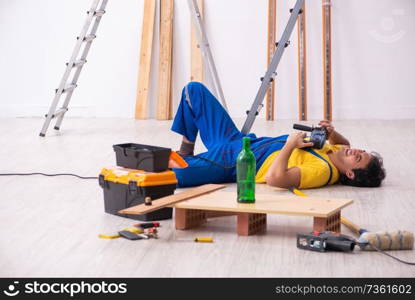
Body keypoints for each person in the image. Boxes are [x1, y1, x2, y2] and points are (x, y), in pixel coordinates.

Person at [169, 82, 386, 189]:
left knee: (170, 176)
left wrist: (291, 145)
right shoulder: (339, 152)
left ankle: (183, 161)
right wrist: (332, 132)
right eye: (362, 151)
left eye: (357, 157)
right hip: (239, 142)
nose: (356, 151)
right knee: (193, 90)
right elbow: (345, 143)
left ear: (348, 173)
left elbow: (275, 179)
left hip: (235, 163)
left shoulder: (322, 171)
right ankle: (185, 152)